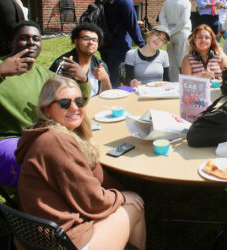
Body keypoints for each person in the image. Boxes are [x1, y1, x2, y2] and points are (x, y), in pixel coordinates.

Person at [16, 77, 146, 250]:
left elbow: (95, 176)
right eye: (64, 103)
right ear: (47, 110)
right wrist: (123, 197)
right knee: (135, 208)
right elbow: (93, 201)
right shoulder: (57, 141)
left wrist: (118, 188)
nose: (74, 108)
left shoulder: (46, 133)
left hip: (36, 235)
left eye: (79, 101)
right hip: (63, 242)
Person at [0, 21, 90, 187]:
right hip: (8, 140)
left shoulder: (47, 76)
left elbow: (76, 106)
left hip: (45, 137)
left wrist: (83, 80)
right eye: (24, 38)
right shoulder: (0, 67)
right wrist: (0, 73)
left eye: (36, 38)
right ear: (12, 42)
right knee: (45, 159)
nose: (31, 42)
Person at [50, 23, 111, 97]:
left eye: (94, 40)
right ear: (76, 41)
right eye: (86, 38)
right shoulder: (64, 64)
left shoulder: (100, 65)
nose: (91, 42)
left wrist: (105, 79)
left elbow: (108, 96)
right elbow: (52, 94)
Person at [100, 0, 145, 88]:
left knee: (106, 78)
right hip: (119, 46)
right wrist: (142, 44)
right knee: (117, 80)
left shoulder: (103, 1)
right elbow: (132, 25)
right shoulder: (125, 2)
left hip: (103, 44)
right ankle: (115, 100)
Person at [159, 0, 192, 82]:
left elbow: (161, 17)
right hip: (182, 32)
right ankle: (183, 82)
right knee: (182, 59)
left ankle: (172, 81)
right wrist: (172, 31)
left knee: (171, 60)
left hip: (169, 32)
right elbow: (183, 20)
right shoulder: (186, 2)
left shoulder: (167, 2)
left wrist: (167, 30)